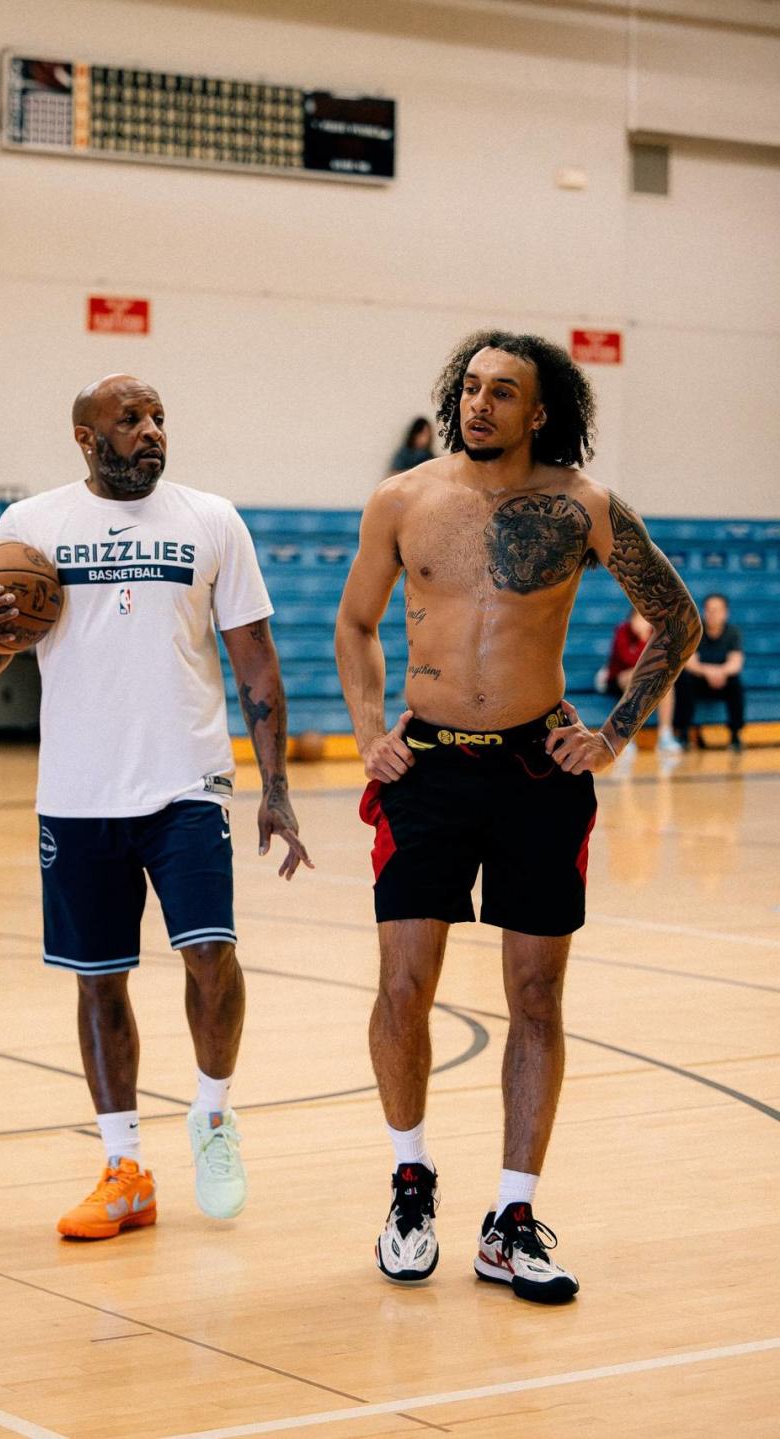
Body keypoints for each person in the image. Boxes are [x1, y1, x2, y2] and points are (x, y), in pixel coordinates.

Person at [336, 330, 699, 1302]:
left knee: (536, 998)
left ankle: (512, 1215)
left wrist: (618, 731)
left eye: (504, 391)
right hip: (430, 771)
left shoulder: (585, 506)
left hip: (540, 771)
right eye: (471, 386)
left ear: (541, 411)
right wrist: (370, 729)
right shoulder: (403, 497)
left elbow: (678, 617)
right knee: (402, 988)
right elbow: (356, 621)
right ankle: (410, 1181)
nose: (480, 403)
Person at [0, 374, 313, 1239]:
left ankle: (212, 1116)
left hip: (187, 780)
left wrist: (276, 789)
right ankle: (124, 1167)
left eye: (159, 418)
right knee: (100, 978)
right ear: (84, 436)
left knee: (211, 952)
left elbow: (255, 661)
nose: (150, 431)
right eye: (130, 419)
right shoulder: (28, 528)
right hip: (77, 789)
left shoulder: (211, 519)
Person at [674, 592, 745, 751]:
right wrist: (709, 672)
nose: (712, 614)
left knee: (736, 683)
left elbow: (736, 663)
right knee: (683, 679)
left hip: (721, 681)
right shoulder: (695, 630)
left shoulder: (732, 633)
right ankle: (683, 734)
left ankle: (735, 735)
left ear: (726, 613)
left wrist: (720, 672)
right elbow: (689, 663)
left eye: (717, 610)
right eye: (709, 610)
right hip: (699, 680)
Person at [603, 609, 679, 753]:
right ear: (631, 619)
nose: (642, 623)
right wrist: (644, 640)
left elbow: (663, 660)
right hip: (619, 679)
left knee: (667, 684)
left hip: (647, 677)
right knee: (633, 679)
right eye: (638, 619)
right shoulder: (622, 631)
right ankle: (626, 737)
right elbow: (628, 659)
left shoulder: (657, 633)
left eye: (645, 620)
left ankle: (665, 735)